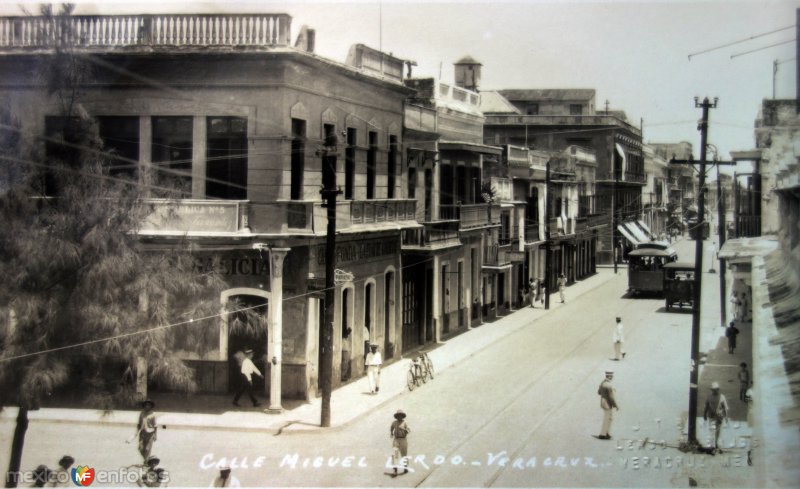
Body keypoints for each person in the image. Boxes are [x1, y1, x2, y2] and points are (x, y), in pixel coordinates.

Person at [703, 382, 729, 452]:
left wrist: (726, 417)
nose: (714, 391)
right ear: (711, 390)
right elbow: (706, 406)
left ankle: (716, 444)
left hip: (719, 417)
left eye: (716, 389)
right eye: (713, 389)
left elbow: (725, 408)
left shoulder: (722, 397)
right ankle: (713, 446)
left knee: (717, 431)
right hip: (712, 417)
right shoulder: (709, 397)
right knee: (712, 431)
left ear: (718, 389)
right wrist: (704, 414)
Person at [597, 371, 618, 440]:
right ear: (610, 376)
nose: (612, 377)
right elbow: (611, 397)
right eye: (612, 376)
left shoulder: (602, 383)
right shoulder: (609, 385)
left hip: (603, 402)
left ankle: (606, 433)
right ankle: (603, 434)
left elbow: (599, 392)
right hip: (607, 404)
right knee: (607, 419)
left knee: (609, 418)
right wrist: (616, 405)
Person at [390, 409, 410, 475]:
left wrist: (403, 429)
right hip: (396, 439)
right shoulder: (394, 422)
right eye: (398, 416)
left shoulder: (405, 423)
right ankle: (395, 470)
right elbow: (392, 428)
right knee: (394, 454)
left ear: (402, 416)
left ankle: (405, 468)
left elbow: (409, 431)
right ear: (396, 416)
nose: (399, 417)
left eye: (400, 416)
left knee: (404, 454)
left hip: (403, 439)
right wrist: (391, 433)